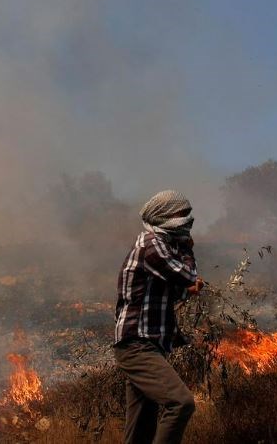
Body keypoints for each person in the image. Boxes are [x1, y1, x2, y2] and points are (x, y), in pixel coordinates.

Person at [113, 190, 205, 444]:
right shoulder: (151, 244)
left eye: (188, 214)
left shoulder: (164, 246)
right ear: (163, 215)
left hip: (149, 346)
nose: (187, 221)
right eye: (181, 214)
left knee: (140, 429)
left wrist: (187, 284)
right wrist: (187, 250)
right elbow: (188, 276)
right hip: (137, 345)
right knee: (181, 403)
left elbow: (177, 291)